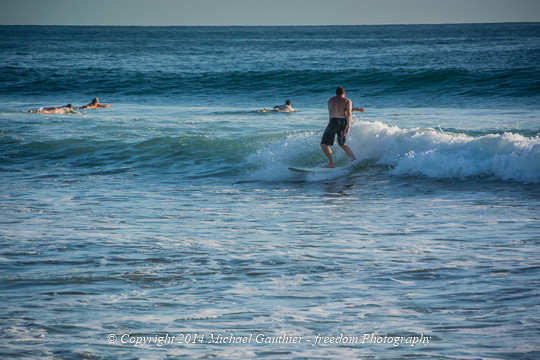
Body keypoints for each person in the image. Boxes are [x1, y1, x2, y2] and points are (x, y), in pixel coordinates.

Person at [320, 87, 364, 168]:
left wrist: (330, 124)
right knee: (342, 144)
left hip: (333, 122)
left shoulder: (331, 100)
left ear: (336, 93)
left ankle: (331, 163)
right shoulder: (347, 100)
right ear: (344, 93)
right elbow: (348, 113)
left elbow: (333, 112)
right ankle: (354, 160)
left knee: (324, 144)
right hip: (342, 123)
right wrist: (348, 126)